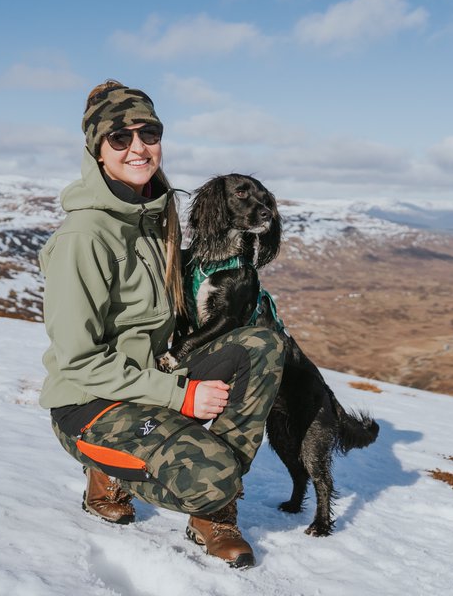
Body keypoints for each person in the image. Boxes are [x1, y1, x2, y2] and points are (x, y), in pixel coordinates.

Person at [39, 80, 284, 569]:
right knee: (214, 473)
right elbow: (79, 361)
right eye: (120, 138)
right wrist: (181, 397)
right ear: (97, 149)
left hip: (152, 380)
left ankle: (213, 511)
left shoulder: (157, 212)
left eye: (148, 133)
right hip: (91, 402)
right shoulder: (84, 237)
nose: (138, 148)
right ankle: (109, 469)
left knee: (264, 344)